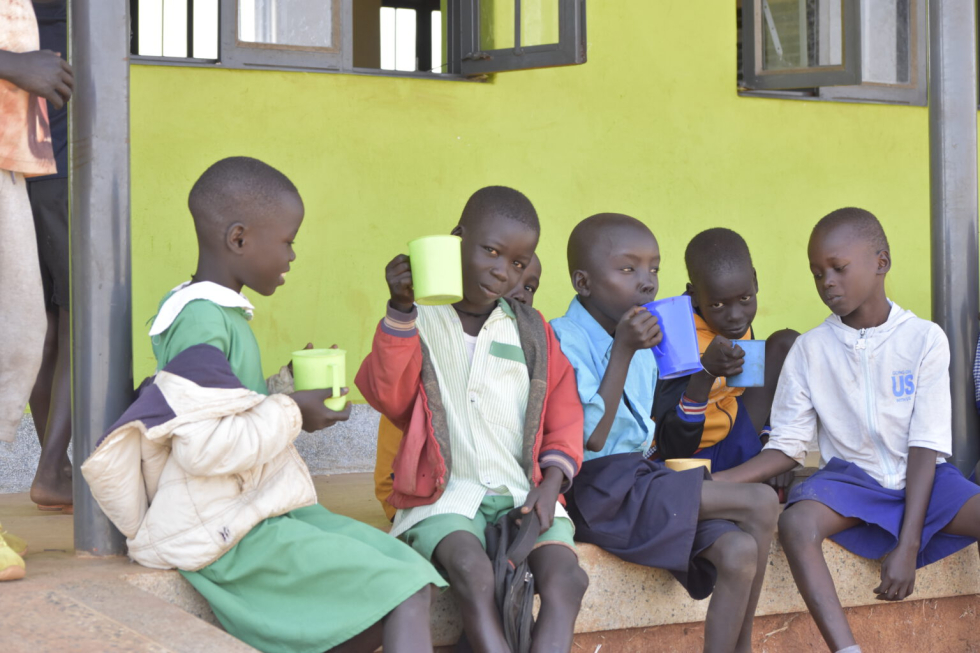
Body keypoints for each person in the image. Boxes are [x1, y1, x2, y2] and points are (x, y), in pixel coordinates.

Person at [81, 157, 445, 653]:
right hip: (229, 529)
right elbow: (204, 447)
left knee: (408, 573)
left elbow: (220, 406)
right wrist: (294, 411)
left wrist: (282, 387)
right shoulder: (201, 323)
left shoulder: (212, 314)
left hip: (257, 507)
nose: (292, 255)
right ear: (238, 239)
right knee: (404, 589)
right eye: (288, 240)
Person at [713, 208, 980, 653]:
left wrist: (908, 546)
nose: (827, 283)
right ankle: (847, 650)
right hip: (851, 484)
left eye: (838, 268)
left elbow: (925, 444)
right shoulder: (809, 350)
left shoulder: (924, 339)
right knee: (797, 523)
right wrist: (714, 482)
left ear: (881, 262)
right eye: (818, 274)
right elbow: (787, 445)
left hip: (924, 481)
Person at [356, 187, 588, 653]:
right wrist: (400, 309)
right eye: (492, 251)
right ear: (457, 237)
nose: (503, 272)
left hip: (523, 489)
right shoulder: (420, 317)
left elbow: (565, 410)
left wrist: (552, 482)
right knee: (471, 569)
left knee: (567, 582)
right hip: (443, 494)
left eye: (519, 264)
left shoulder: (531, 330)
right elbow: (387, 395)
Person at [550, 213, 779, 653]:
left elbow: (669, 443)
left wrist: (703, 376)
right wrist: (622, 350)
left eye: (654, 268)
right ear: (583, 282)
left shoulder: (644, 336)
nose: (647, 281)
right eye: (628, 268)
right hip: (596, 490)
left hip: (640, 480)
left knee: (737, 552)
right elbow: (590, 438)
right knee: (762, 500)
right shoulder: (566, 338)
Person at [373, 253, 542, 522]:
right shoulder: (428, 326)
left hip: (499, 493)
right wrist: (399, 309)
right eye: (510, 278)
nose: (520, 294)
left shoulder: (527, 341)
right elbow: (387, 389)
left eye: (530, 287)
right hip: (419, 493)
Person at [0, 0, 73, 582]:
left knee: (27, 331)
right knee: (39, 325)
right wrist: (11, 64)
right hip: (20, 155)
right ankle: (52, 469)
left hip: (18, 155)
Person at [653, 228, 797, 485]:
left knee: (787, 342)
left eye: (745, 298)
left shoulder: (738, 324)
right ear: (695, 294)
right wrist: (704, 375)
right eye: (717, 305)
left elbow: (748, 385)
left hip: (735, 436)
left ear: (754, 281)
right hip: (685, 457)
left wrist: (770, 439)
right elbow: (671, 445)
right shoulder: (675, 334)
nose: (735, 315)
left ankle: (771, 451)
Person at [27, 0, 73, 513]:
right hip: (57, 159)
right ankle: (52, 468)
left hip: (28, 156)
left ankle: (54, 468)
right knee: (82, 314)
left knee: (47, 325)